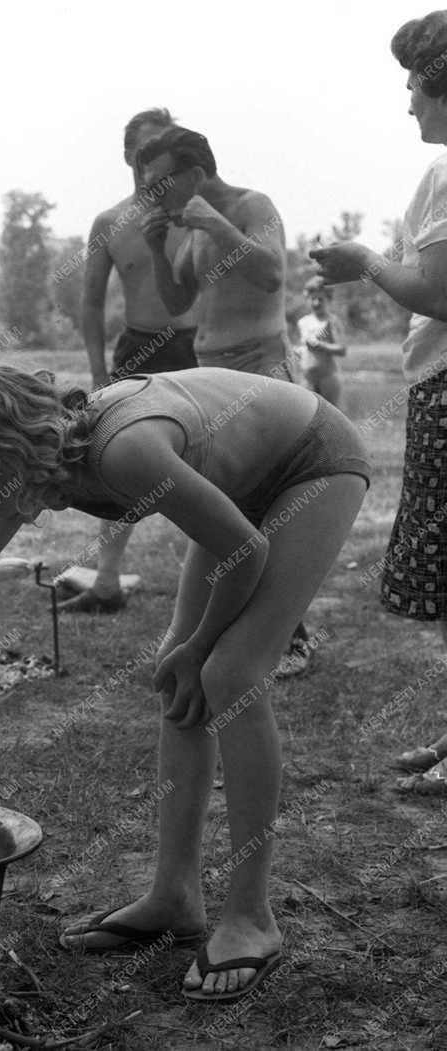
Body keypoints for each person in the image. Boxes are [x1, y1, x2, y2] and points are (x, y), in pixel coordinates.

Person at [0, 364, 369, 1003]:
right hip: (243, 487)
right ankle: (175, 896)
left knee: (230, 671)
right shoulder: (33, 471)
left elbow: (246, 552)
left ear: (21, 450)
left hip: (312, 462)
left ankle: (252, 916)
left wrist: (203, 647)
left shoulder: (126, 450)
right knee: (179, 673)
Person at [312, 9, 447, 795]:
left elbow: (435, 291)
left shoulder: (443, 172)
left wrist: (363, 258)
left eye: (411, 82)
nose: (406, 101)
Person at [138, 125, 314, 678]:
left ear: (194, 173)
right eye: (148, 188)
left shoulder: (249, 205)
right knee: (220, 504)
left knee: (267, 503)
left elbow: (270, 275)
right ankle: (227, 630)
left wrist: (211, 221)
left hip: (261, 367)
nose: (154, 196)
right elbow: (177, 302)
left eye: (160, 183)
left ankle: (291, 637)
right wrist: (157, 251)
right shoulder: (185, 228)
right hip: (209, 373)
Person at [62, 106, 197, 614]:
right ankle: (106, 581)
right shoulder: (110, 221)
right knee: (116, 459)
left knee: (209, 461)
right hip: (139, 347)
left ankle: (216, 582)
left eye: (168, 145)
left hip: (198, 346)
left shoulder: (196, 210)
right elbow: (92, 302)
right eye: (147, 149)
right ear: (129, 157)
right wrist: (97, 373)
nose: (157, 158)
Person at [295, 276, 347, 406]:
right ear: (308, 299)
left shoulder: (332, 321)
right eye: (313, 299)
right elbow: (305, 349)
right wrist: (293, 351)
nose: (316, 303)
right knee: (307, 419)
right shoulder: (303, 322)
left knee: (330, 421)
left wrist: (320, 345)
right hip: (308, 378)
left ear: (328, 299)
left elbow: (342, 349)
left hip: (327, 378)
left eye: (320, 299)